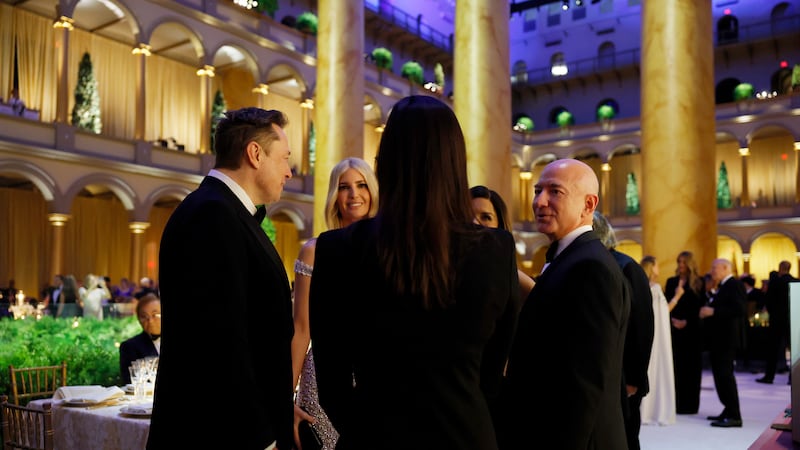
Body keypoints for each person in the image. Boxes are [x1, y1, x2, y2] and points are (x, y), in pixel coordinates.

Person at [309, 95, 520, 449]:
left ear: (386, 163)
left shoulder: (337, 248)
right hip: (464, 434)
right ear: (455, 164)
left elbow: (332, 383)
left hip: (374, 436)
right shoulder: (497, 249)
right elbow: (492, 372)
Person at [148, 107, 294, 450]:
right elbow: (219, 343)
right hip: (224, 433)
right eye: (285, 158)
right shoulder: (213, 214)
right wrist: (262, 438)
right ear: (255, 154)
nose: (289, 172)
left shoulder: (226, 211)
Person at [499, 159, 631, 449]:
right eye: (538, 190)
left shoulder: (590, 267)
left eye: (555, 192)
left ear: (588, 204)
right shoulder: (571, 259)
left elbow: (585, 384)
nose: (539, 201)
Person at [291, 157, 378, 449]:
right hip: (321, 384)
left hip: (376, 382)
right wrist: (284, 400)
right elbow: (301, 329)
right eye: (344, 187)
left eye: (362, 185)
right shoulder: (313, 251)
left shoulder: (390, 251)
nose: (354, 194)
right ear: (334, 196)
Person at [592, 211, 654, 450]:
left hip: (625, 375)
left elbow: (642, 327)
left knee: (626, 437)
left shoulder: (627, 267)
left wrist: (634, 379)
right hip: (602, 375)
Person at [700, 258, 747, 428]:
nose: (712, 271)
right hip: (720, 340)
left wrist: (713, 311)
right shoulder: (724, 286)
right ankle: (728, 410)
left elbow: (739, 309)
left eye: (715, 267)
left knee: (725, 377)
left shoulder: (734, 284)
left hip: (726, 340)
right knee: (720, 377)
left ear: (726, 268)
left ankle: (734, 415)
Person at [469, 185, 535, 298]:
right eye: (468, 216)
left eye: (485, 217)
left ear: (499, 224)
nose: (475, 223)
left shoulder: (511, 276)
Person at [664, 250, 705, 415]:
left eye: (683, 262)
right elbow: (666, 304)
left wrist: (687, 322)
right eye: (679, 262)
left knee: (692, 369)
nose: (680, 265)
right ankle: (676, 403)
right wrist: (673, 320)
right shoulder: (671, 281)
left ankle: (690, 405)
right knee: (677, 367)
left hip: (692, 331)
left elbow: (700, 307)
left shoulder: (699, 283)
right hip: (675, 331)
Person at [639, 255, 677, 426]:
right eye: (657, 265)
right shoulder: (655, 288)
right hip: (658, 335)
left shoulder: (640, 286)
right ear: (652, 267)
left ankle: (645, 409)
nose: (659, 269)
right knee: (657, 365)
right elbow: (663, 312)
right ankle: (657, 409)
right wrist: (677, 296)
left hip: (646, 332)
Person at [757, 260, 798, 384]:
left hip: (776, 320)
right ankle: (794, 378)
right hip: (792, 319)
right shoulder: (796, 282)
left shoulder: (775, 283)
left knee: (773, 349)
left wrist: (772, 312)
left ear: (780, 268)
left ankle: (769, 376)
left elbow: (768, 300)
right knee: (794, 350)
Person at [119, 293, 161, 384]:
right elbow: (129, 381)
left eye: (154, 315)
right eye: (144, 316)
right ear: (138, 320)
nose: (150, 321)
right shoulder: (129, 347)